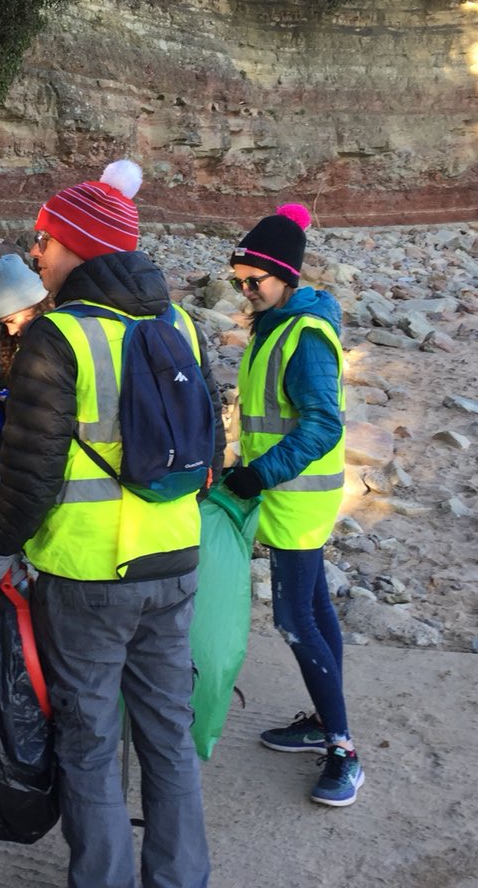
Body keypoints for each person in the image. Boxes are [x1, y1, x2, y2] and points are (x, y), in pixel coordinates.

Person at [0, 159, 223, 888]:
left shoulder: (59, 336)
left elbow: (31, 471)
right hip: (175, 561)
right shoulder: (179, 323)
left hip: (89, 575)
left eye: (45, 240)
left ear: (78, 246)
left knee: (88, 744)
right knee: (167, 736)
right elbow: (211, 441)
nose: (36, 253)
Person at [224, 203, 362, 807]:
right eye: (239, 282)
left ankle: (343, 750)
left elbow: (323, 426)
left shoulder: (304, 337)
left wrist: (260, 475)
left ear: (286, 275)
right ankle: (324, 721)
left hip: (295, 498)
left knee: (293, 619)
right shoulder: (275, 325)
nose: (246, 291)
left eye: (255, 280)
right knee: (315, 607)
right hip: (287, 493)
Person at [0, 252, 54, 388]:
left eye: (12, 320)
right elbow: (11, 355)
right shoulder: (30, 335)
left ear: (33, 306)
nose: (11, 331)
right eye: (5, 324)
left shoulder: (63, 333)